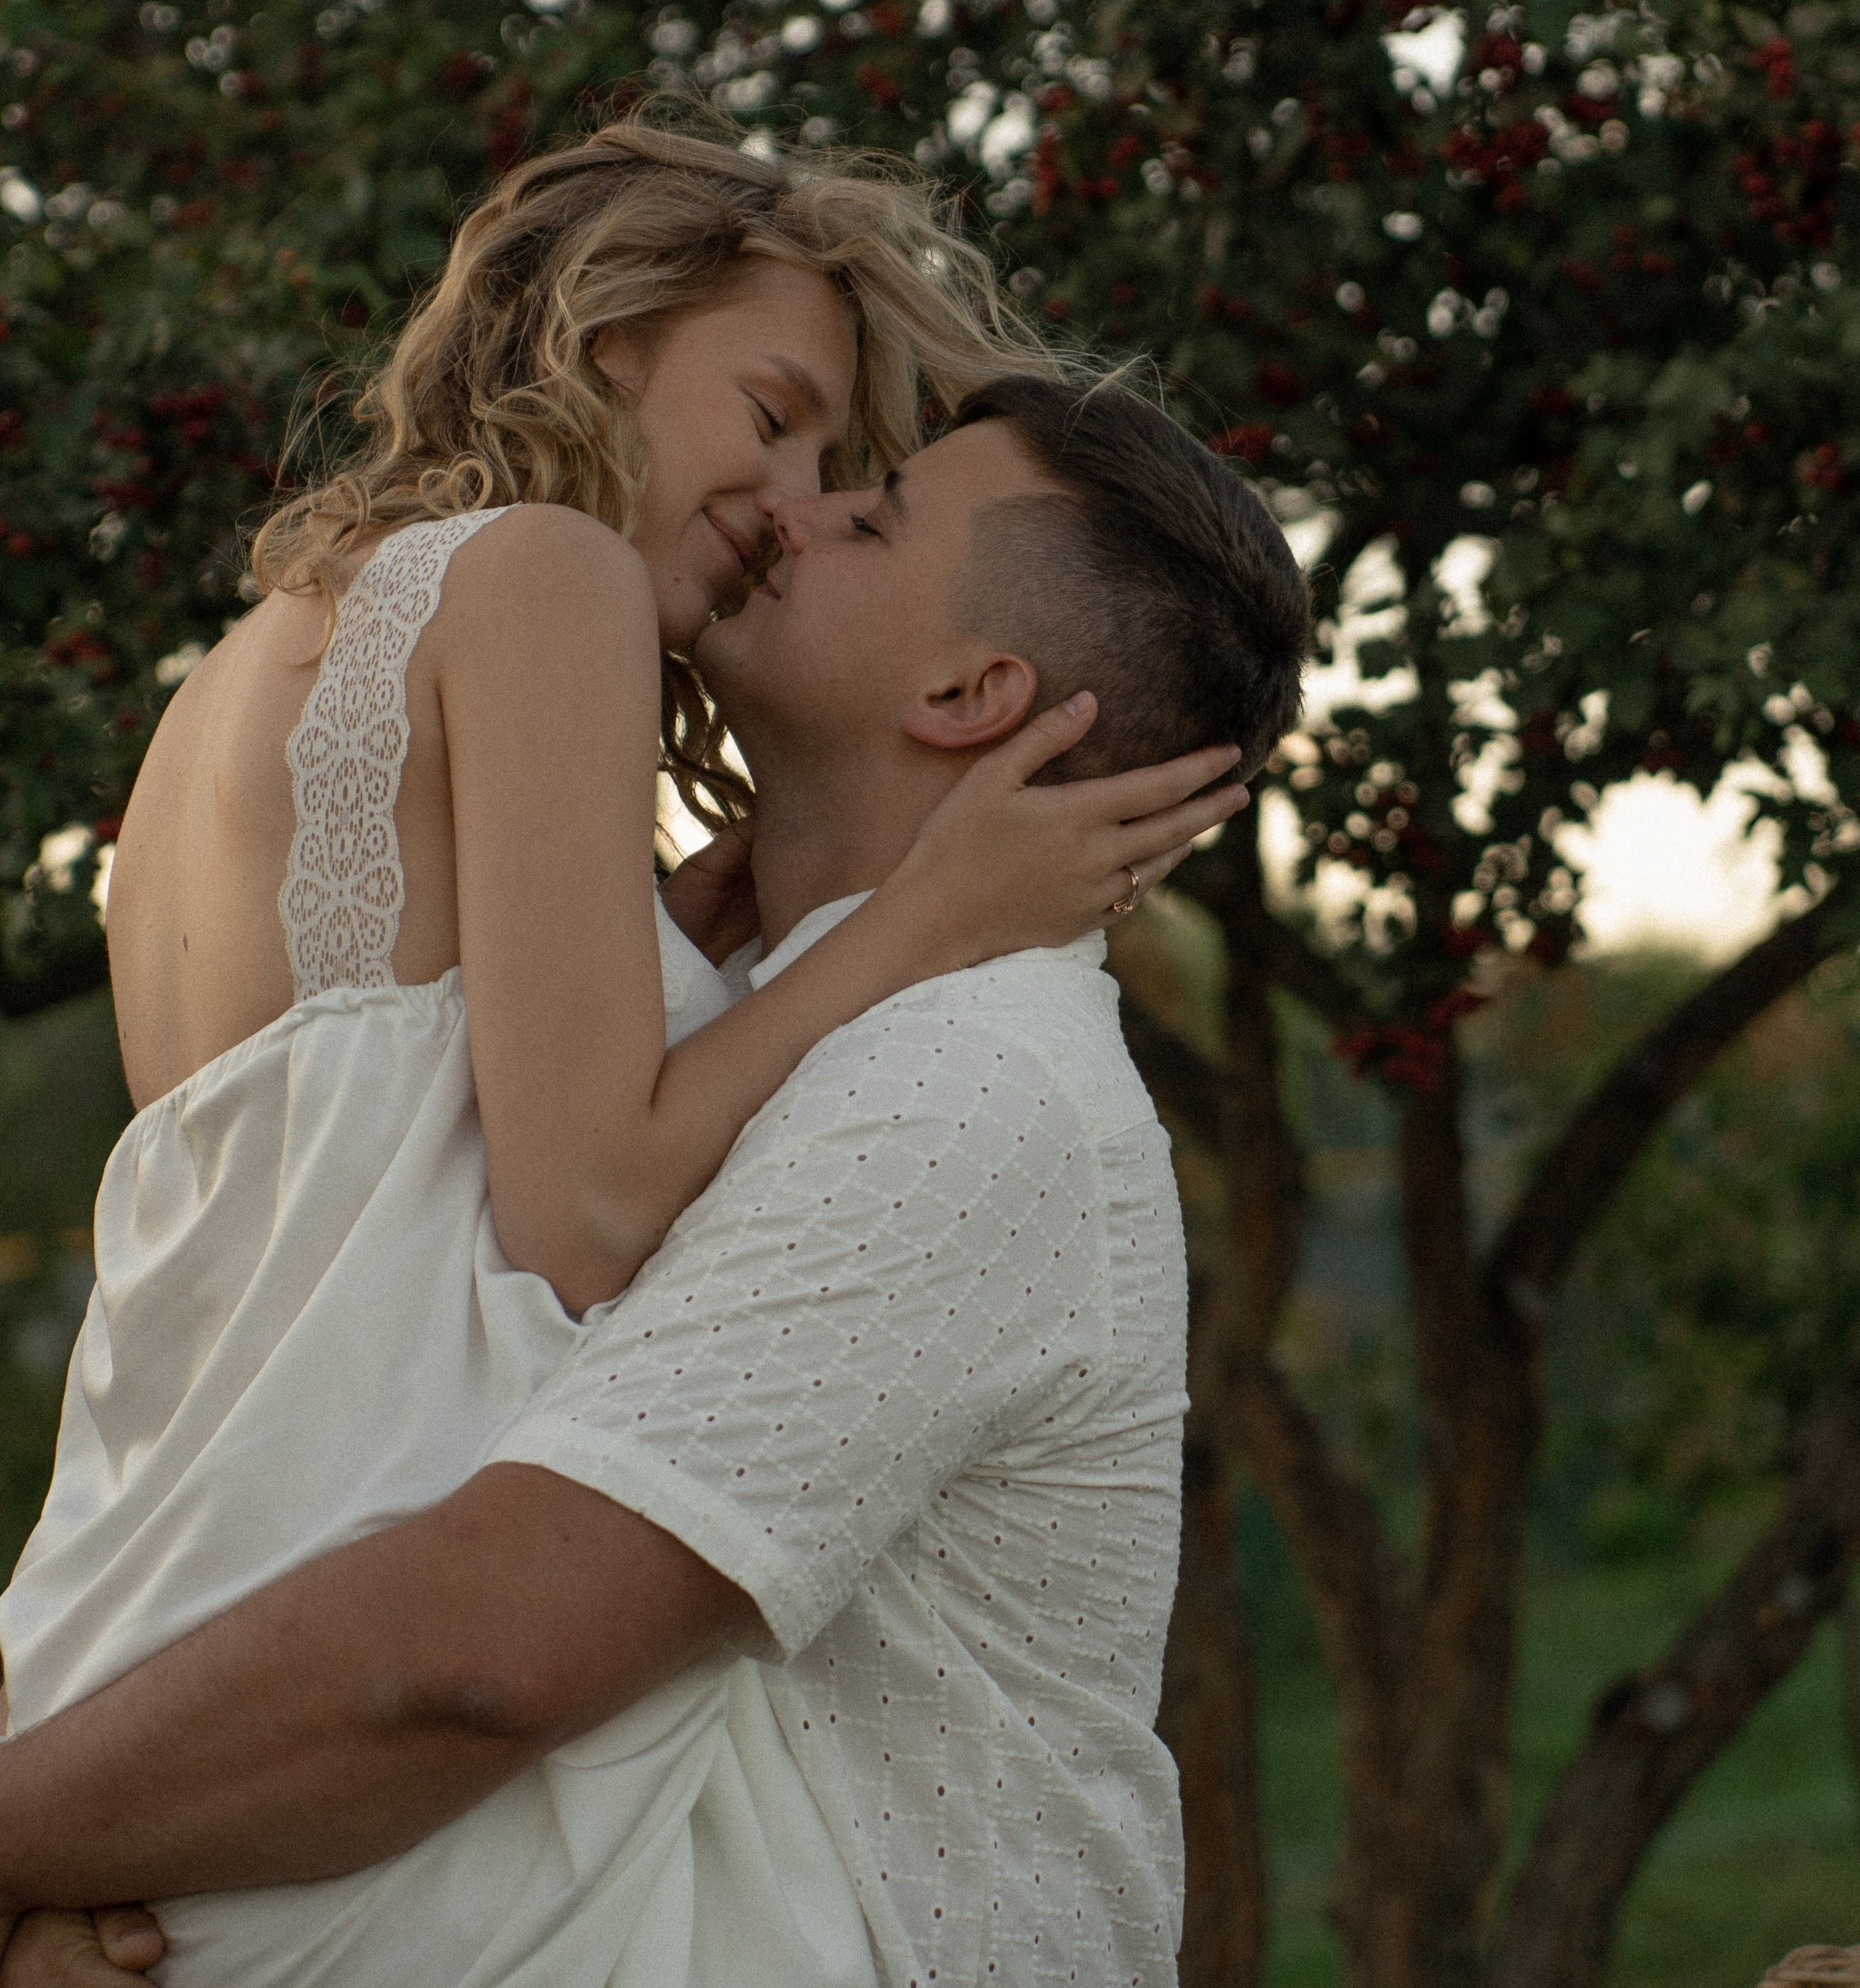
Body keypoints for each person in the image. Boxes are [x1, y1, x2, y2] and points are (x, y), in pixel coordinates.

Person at [0, 372, 1308, 1987]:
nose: (797, 508)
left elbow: (473, 1655)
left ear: (973, 691)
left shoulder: (976, 1080)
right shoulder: (711, 1041)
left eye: (872, 509)